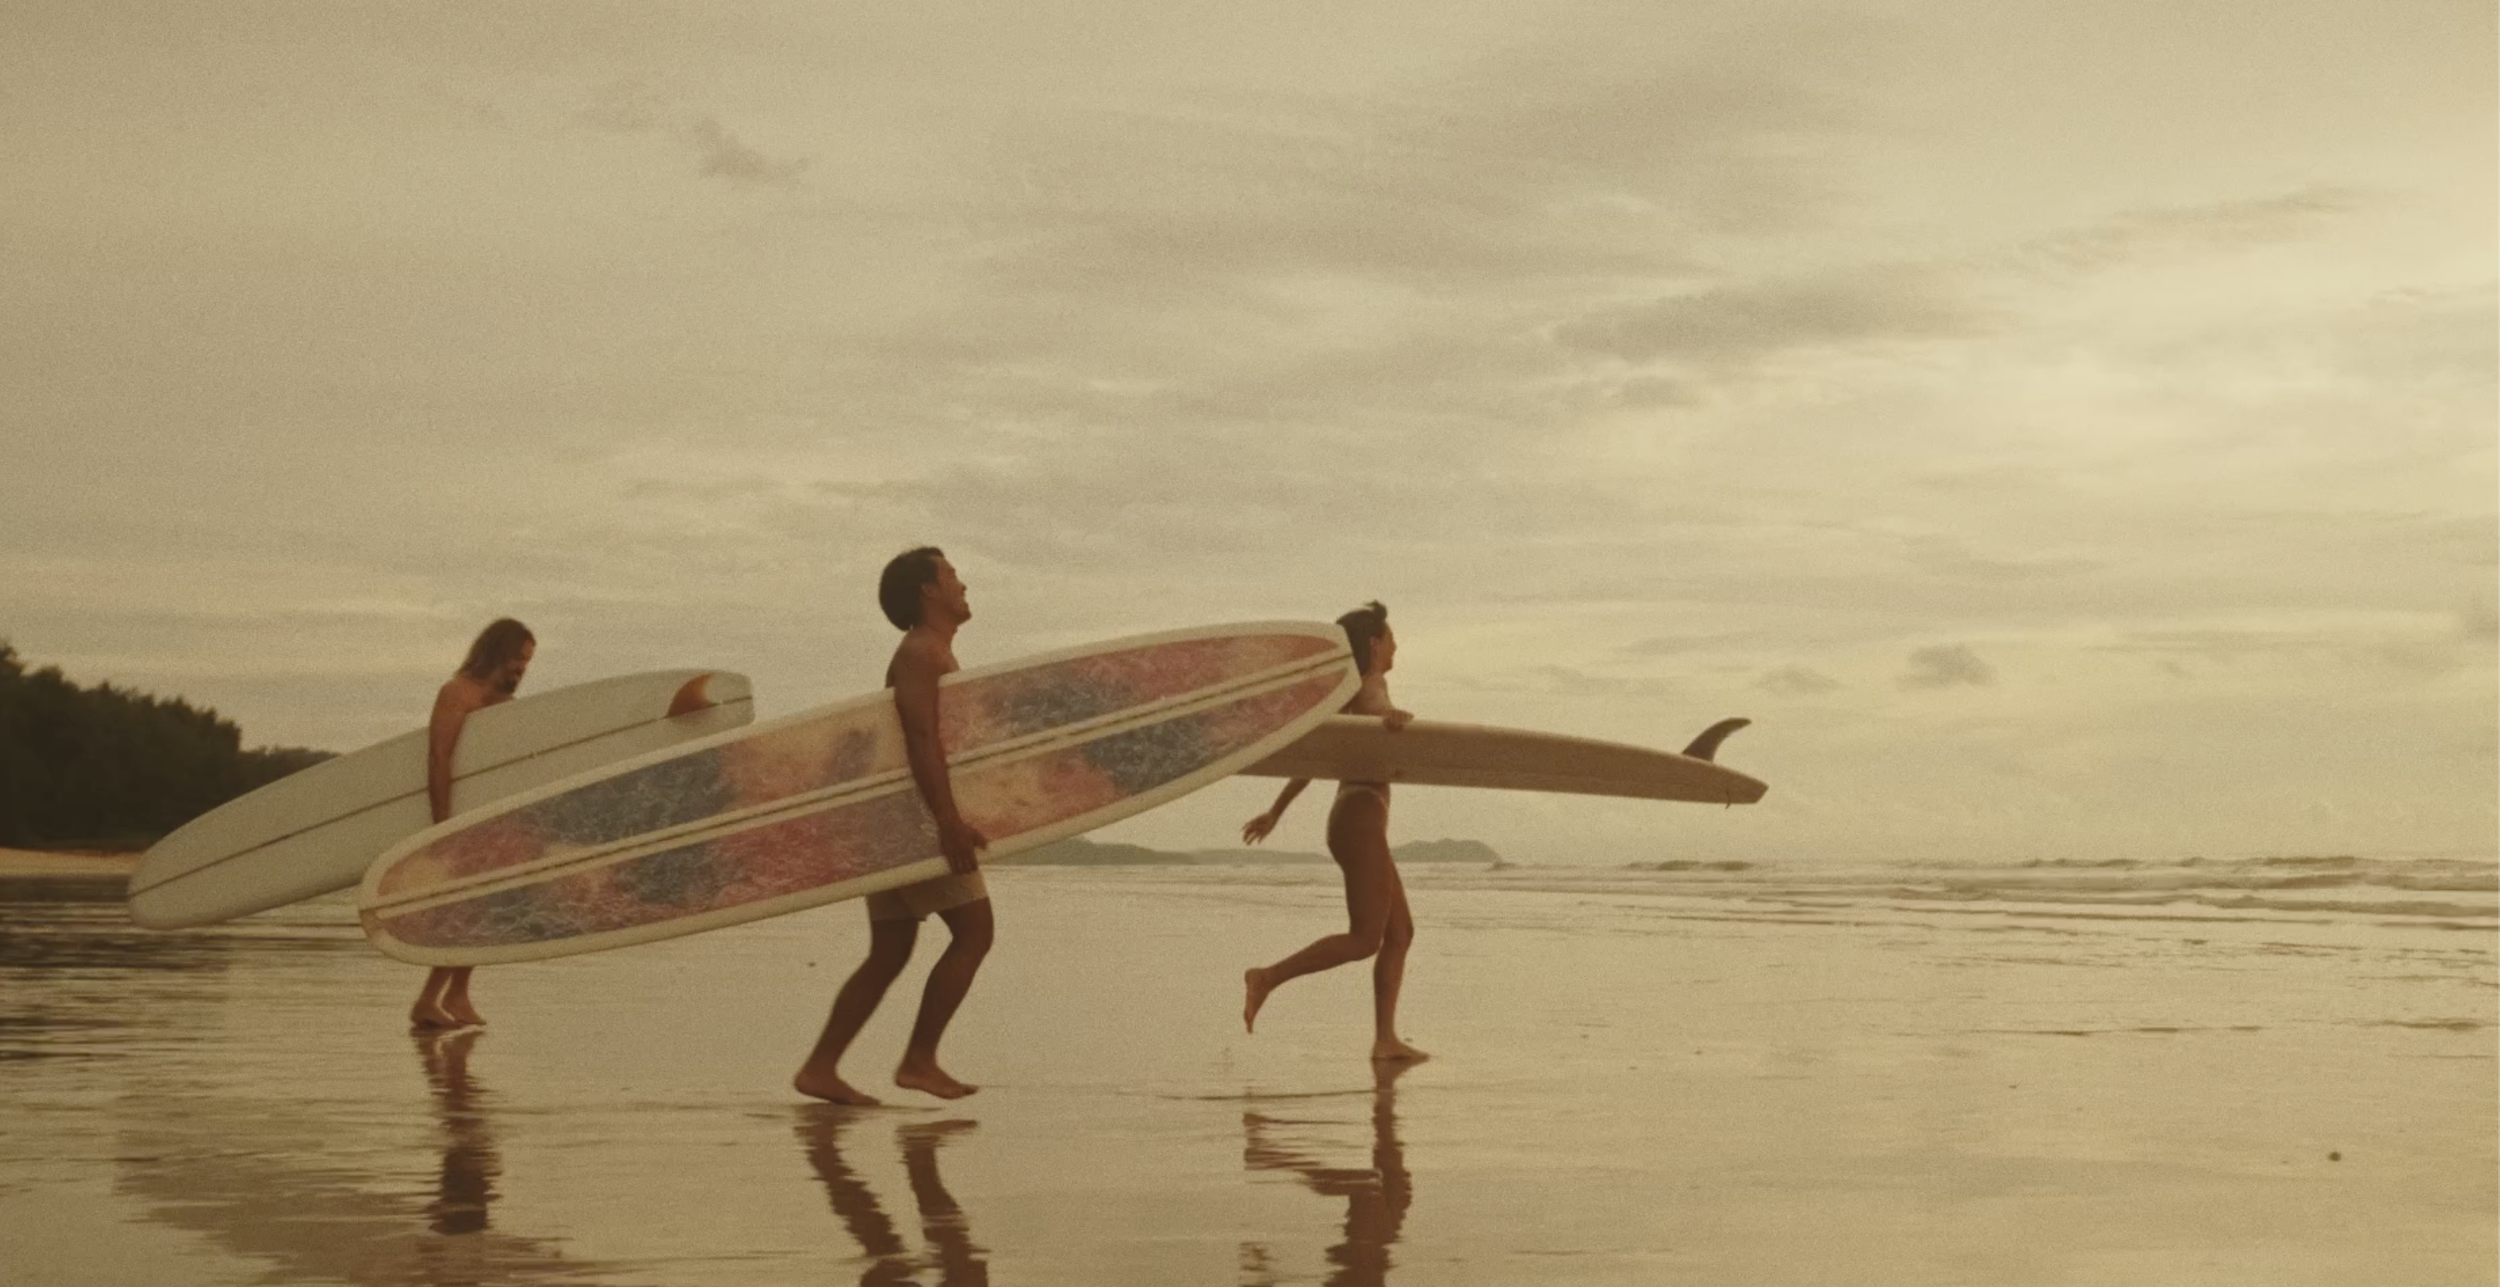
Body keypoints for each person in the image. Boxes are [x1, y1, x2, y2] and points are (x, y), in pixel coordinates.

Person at [793, 547, 995, 1104]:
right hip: (910, 824)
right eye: (952, 575)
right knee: (976, 932)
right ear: (929, 591)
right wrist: (947, 822)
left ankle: (820, 1068)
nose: (962, 583)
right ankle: (919, 1061)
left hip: (886, 823)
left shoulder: (928, 651)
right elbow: (920, 740)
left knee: (889, 952)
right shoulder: (921, 652)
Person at [1239, 601, 1429, 1063]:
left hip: (1360, 818)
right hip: (1359, 817)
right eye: (1392, 636)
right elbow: (1347, 732)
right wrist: (1391, 720)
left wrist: (1274, 813)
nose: (1397, 644)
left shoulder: (1359, 691)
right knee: (1366, 939)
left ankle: (1385, 1039)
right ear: (1374, 643)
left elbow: (1322, 757)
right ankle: (1266, 977)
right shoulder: (1362, 687)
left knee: (1400, 932)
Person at [409, 617, 534, 1031]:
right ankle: (436, 999)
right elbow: (438, 758)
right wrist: (441, 824)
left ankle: (450, 995)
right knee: (469, 910)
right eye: (517, 659)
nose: (521, 669)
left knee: (482, 909)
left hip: (489, 824)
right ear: (496, 652)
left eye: (527, 662)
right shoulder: (456, 693)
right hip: (458, 820)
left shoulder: (502, 703)